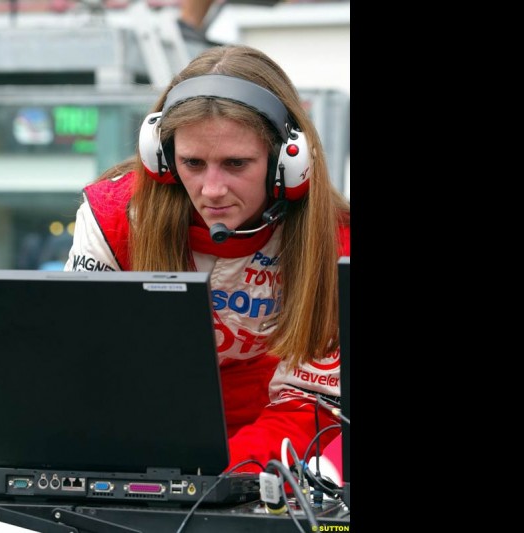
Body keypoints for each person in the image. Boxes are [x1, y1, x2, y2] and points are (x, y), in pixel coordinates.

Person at [64, 44, 350, 473]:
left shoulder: (333, 240)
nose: (212, 189)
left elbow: (311, 404)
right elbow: (81, 368)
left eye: (236, 163)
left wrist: (217, 478)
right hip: (139, 442)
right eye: (192, 163)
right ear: (160, 158)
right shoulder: (115, 218)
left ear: (287, 163)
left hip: (271, 450)